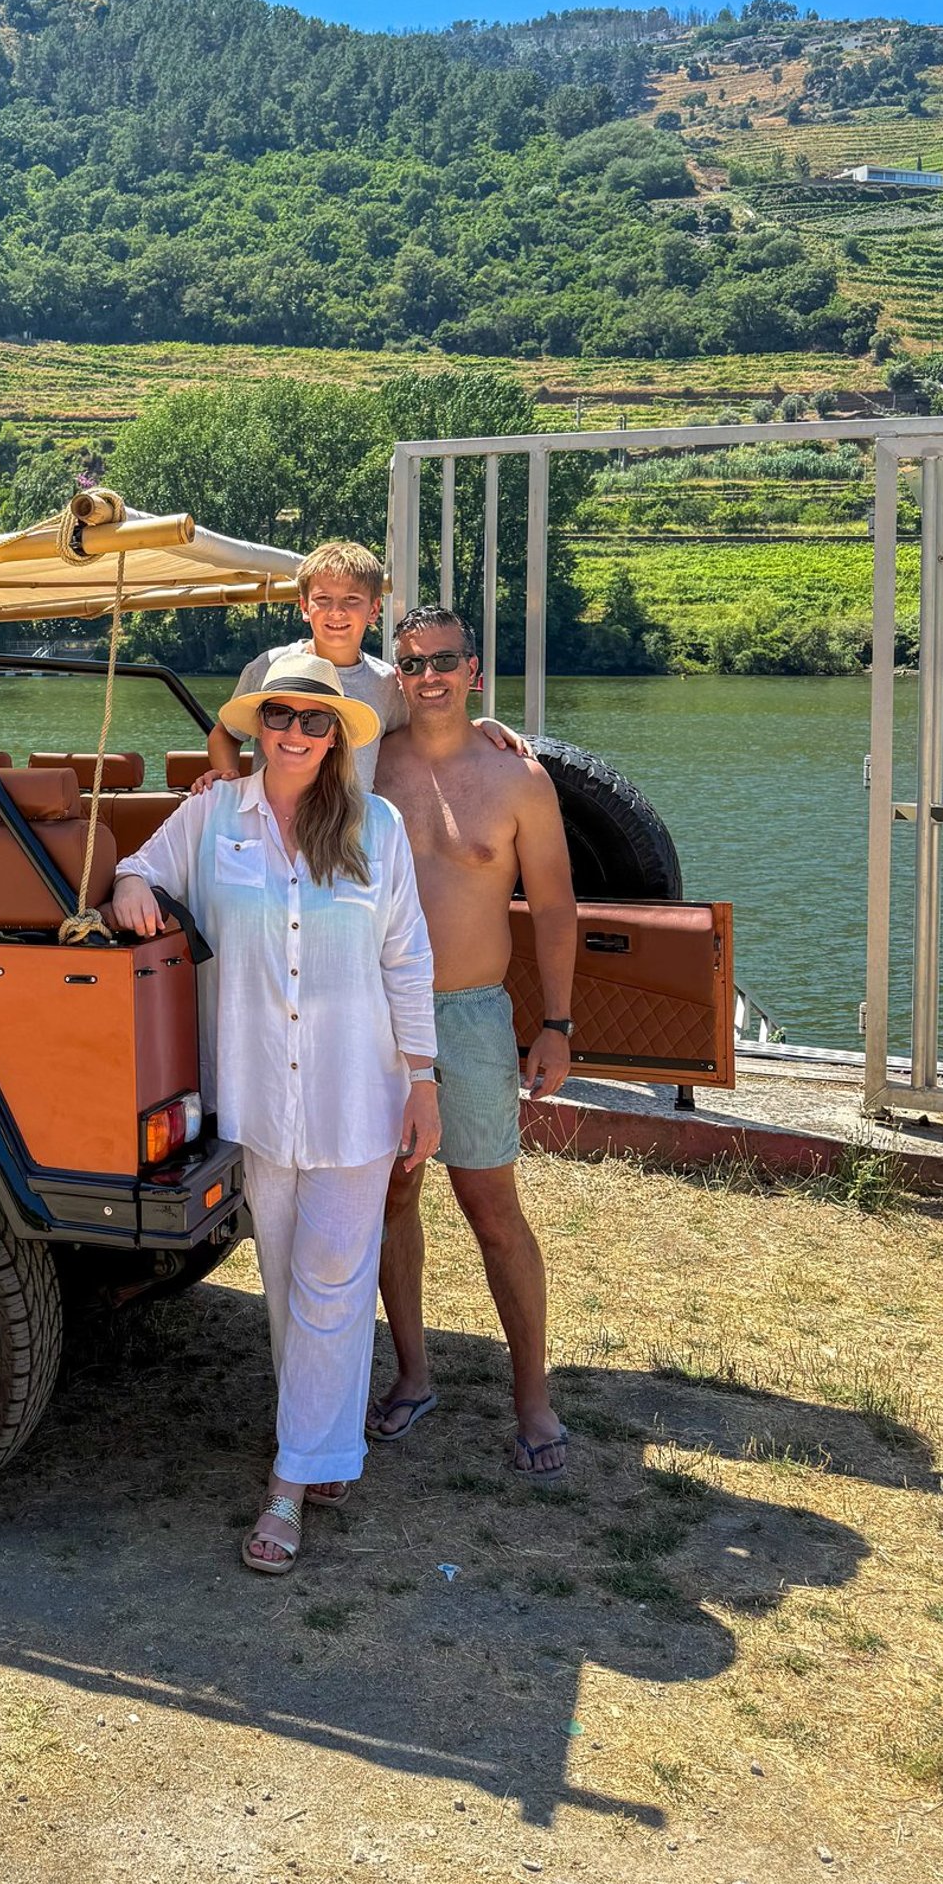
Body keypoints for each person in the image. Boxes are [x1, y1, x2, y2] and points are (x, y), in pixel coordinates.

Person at [108, 652, 441, 1574]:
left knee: (335, 1278)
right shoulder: (214, 814)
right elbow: (137, 868)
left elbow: (407, 959)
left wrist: (424, 1078)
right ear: (260, 723)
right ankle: (328, 1444)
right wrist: (135, 887)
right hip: (259, 1094)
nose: (297, 733)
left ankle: (289, 1485)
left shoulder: (376, 825)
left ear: (338, 734)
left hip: (357, 1092)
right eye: (283, 716)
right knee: (292, 1279)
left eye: (317, 720)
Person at [370, 605, 578, 1482]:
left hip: (469, 1015)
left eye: (445, 661)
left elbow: (557, 907)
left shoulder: (518, 779)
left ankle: (532, 1397)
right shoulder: (368, 762)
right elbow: (277, 734)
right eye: (413, 662)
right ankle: (413, 1375)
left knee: (492, 1210)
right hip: (375, 1012)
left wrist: (557, 1025)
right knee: (389, 1199)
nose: (430, 676)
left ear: (475, 670)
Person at [201, 538, 528, 795]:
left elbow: (427, 731)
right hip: (273, 824)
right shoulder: (270, 667)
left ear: (373, 610)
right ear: (304, 606)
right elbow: (226, 734)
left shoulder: (386, 682)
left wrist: (481, 725)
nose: (337, 612)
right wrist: (229, 781)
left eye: (351, 601)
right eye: (323, 600)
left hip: (353, 835)